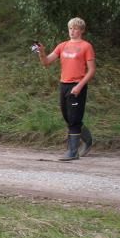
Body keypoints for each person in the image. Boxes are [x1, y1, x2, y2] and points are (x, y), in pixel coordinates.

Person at [36, 17, 96, 161]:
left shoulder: (86, 46)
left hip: (78, 85)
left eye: (75, 29)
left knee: (74, 119)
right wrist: (41, 51)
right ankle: (88, 140)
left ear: (81, 30)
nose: (72, 31)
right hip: (64, 85)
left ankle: (72, 152)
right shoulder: (62, 45)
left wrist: (79, 86)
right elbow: (46, 62)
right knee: (68, 117)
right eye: (70, 28)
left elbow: (92, 70)